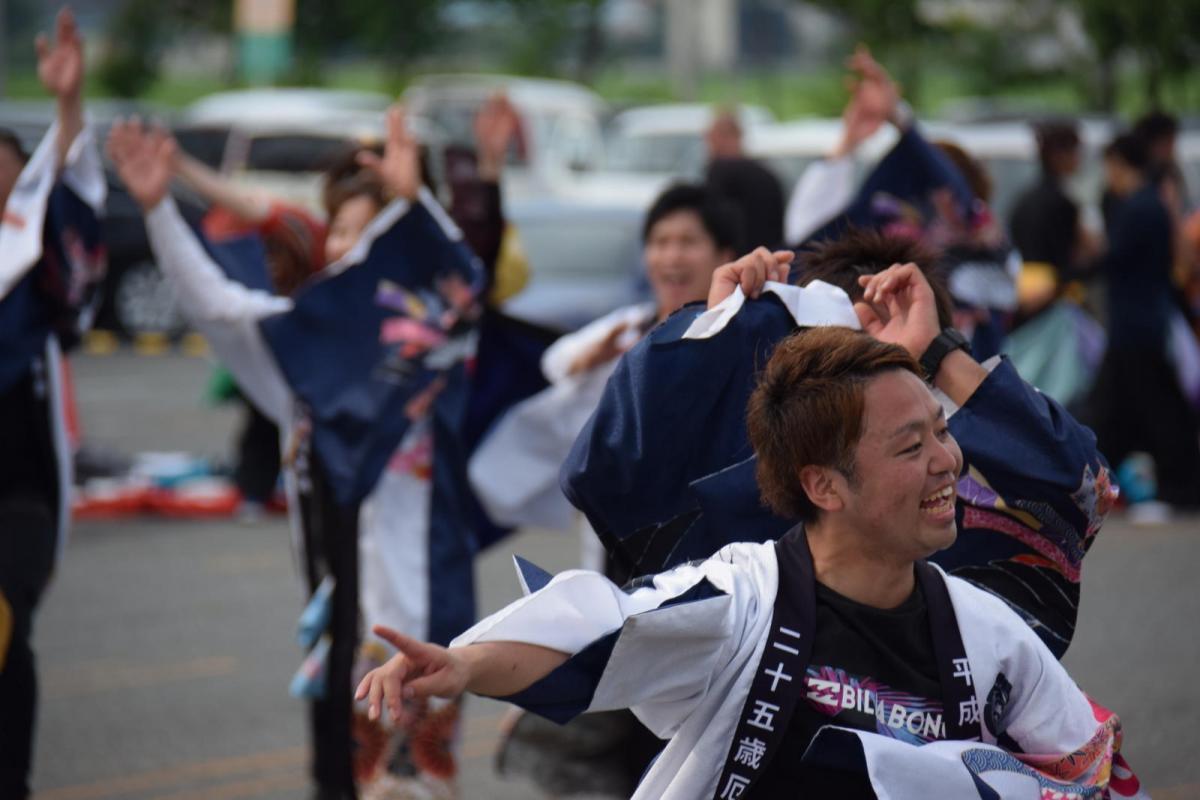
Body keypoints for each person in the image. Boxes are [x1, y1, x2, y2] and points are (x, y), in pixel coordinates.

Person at [357, 321, 1144, 800]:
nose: (948, 461)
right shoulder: (742, 602)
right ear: (823, 485)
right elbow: (600, 627)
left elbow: (1088, 770)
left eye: (942, 431)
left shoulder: (987, 633)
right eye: (912, 446)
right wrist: (463, 665)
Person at [108, 107, 482, 800]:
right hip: (340, 629)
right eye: (341, 232)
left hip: (428, 627)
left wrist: (417, 205)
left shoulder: (432, 350)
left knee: (412, 788)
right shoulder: (299, 350)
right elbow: (215, 304)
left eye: (372, 234)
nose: (351, 249)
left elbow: (464, 281)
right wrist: (158, 210)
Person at [562, 229, 1114, 660]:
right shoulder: (771, 464)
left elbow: (1083, 489)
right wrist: (712, 340)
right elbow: (610, 465)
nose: (939, 459)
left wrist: (936, 351)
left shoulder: (965, 462)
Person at [468, 183, 747, 798]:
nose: (671, 256)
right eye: (660, 242)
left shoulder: (743, 340)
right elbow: (557, 363)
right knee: (629, 745)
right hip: (622, 578)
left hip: (712, 575)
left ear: (724, 254)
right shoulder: (627, 336)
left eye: (688, 242)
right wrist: (589, 361)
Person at [0, 10, 105, 798]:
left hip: (19, 496)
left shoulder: (30, 289)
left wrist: (68, 109)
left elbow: (67, 197)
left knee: (8, 628)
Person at [1080, 133, 1200, 510]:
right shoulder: (1149, 204)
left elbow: (1113, 258)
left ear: (1118, 163)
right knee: (1119, 409)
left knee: (1154, 410)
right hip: (1142, 323)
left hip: (1135, 326)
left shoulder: (1139, 207)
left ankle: (1177, 487)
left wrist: (1074, 271)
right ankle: (1094, 483)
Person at [1009, 120, 1098, 285]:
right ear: (1058, 156)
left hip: (1028, 286)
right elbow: (1068, 258)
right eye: (1074, 152)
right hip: (1053, 287)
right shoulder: (1060, 202)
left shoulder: (1026, 198)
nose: (1078, 158)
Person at [705, 109, 785, 250]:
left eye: (710, 137)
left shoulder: (721, 170)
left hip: (740, 257)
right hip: (770, 254)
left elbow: (714, 221)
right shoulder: (765, 172)